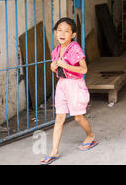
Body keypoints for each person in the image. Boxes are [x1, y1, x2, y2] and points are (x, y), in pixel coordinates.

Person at [40, 17, 98, 165]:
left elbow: (83, 69)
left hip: (75, 86)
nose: (62, 34)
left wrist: (66, 65)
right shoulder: (57, 50)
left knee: (78, 117)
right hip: (62, 85)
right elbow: (55, 68)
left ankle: (90, 136)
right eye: (59, 30)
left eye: (66, 31)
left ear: (72, 35)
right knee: (59, 118)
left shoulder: (75, 49)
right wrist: (53, 66)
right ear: (55, 32)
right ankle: (54, 151)